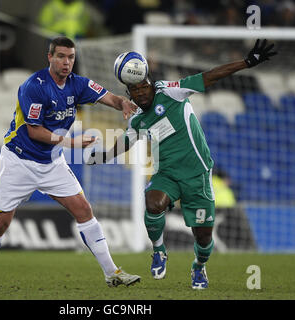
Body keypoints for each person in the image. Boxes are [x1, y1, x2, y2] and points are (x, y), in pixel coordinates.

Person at [88, 39, 277, 289]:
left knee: (203, 237)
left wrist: (247, 62)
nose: (141, 93)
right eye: (135, 91)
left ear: (150, 83)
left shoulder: (171, 92)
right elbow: (125, 142)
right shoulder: (137, 120)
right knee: (153, 202)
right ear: (129, 94)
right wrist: (102, 156)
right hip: (167, 173)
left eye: (144, 88)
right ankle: (159, 250)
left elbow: (209, 77)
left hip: (197, 175)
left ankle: (199, 267)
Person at [0, 36, 140, 289]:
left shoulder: (77, 84)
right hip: (19, 159)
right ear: (50, 58)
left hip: (52, 163)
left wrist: (123, 103)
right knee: (0, 223)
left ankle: (112, 272)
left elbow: (108, 97)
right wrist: (70, 143)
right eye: (61, 56)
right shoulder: (33, 86)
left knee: (84, 210)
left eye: (71, 57)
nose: (67, 62)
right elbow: (34, 131)